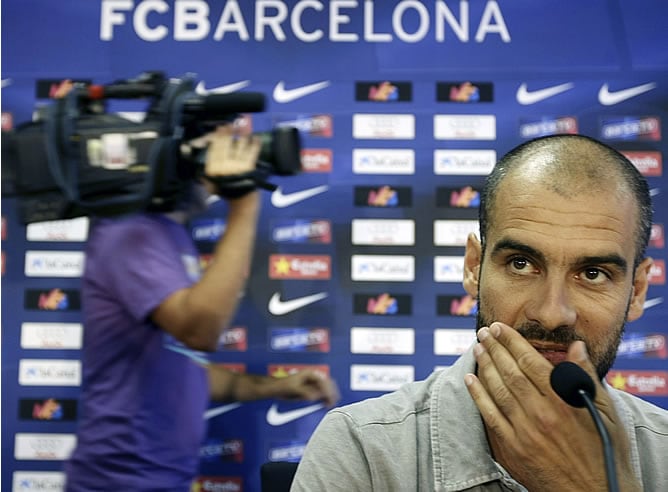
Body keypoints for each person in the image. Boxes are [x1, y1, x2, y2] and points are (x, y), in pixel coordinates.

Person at [291, 134, 668, 491]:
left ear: (636, 291)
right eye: (521, 264)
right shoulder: (363, 450)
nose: (552, 314)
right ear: (474, 267)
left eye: (592, 274)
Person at [64, 125, 339, 491]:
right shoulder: (130, 233)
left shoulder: (167, 235)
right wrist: (243, 200)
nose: (213, 170)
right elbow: (200, 330)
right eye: (209, 151)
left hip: (160, 477)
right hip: (119, 480)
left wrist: (271, 387)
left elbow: (181, 361)